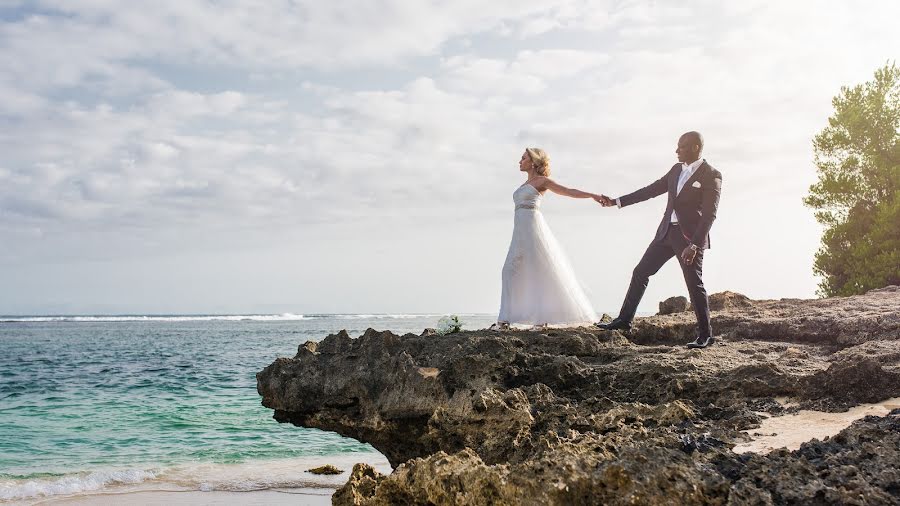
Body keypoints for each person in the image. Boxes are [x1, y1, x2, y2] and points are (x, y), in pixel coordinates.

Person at [595, 132, 722, 349]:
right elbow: (651, 190)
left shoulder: (711, 175)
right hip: (665, 234)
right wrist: (617, 201)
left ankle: (705, 335)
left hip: (688, 239)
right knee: (640, 272)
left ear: (695, 147)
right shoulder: (676, 170)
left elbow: (710, 214)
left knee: (694, 283)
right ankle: (624, 321)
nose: (676, 151)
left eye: (681, 147)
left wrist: (694, 245)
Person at [491, 148, 600, 331]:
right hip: (519, 232)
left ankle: (539, 320)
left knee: (538, 270)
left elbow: (568, 191)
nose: (519, 161)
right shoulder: (524, 183)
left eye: (523, 158)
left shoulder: (542, 182)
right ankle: (504, 319)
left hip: (533, 228)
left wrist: (592, 195)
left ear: (532, 162)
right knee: (509, 270)